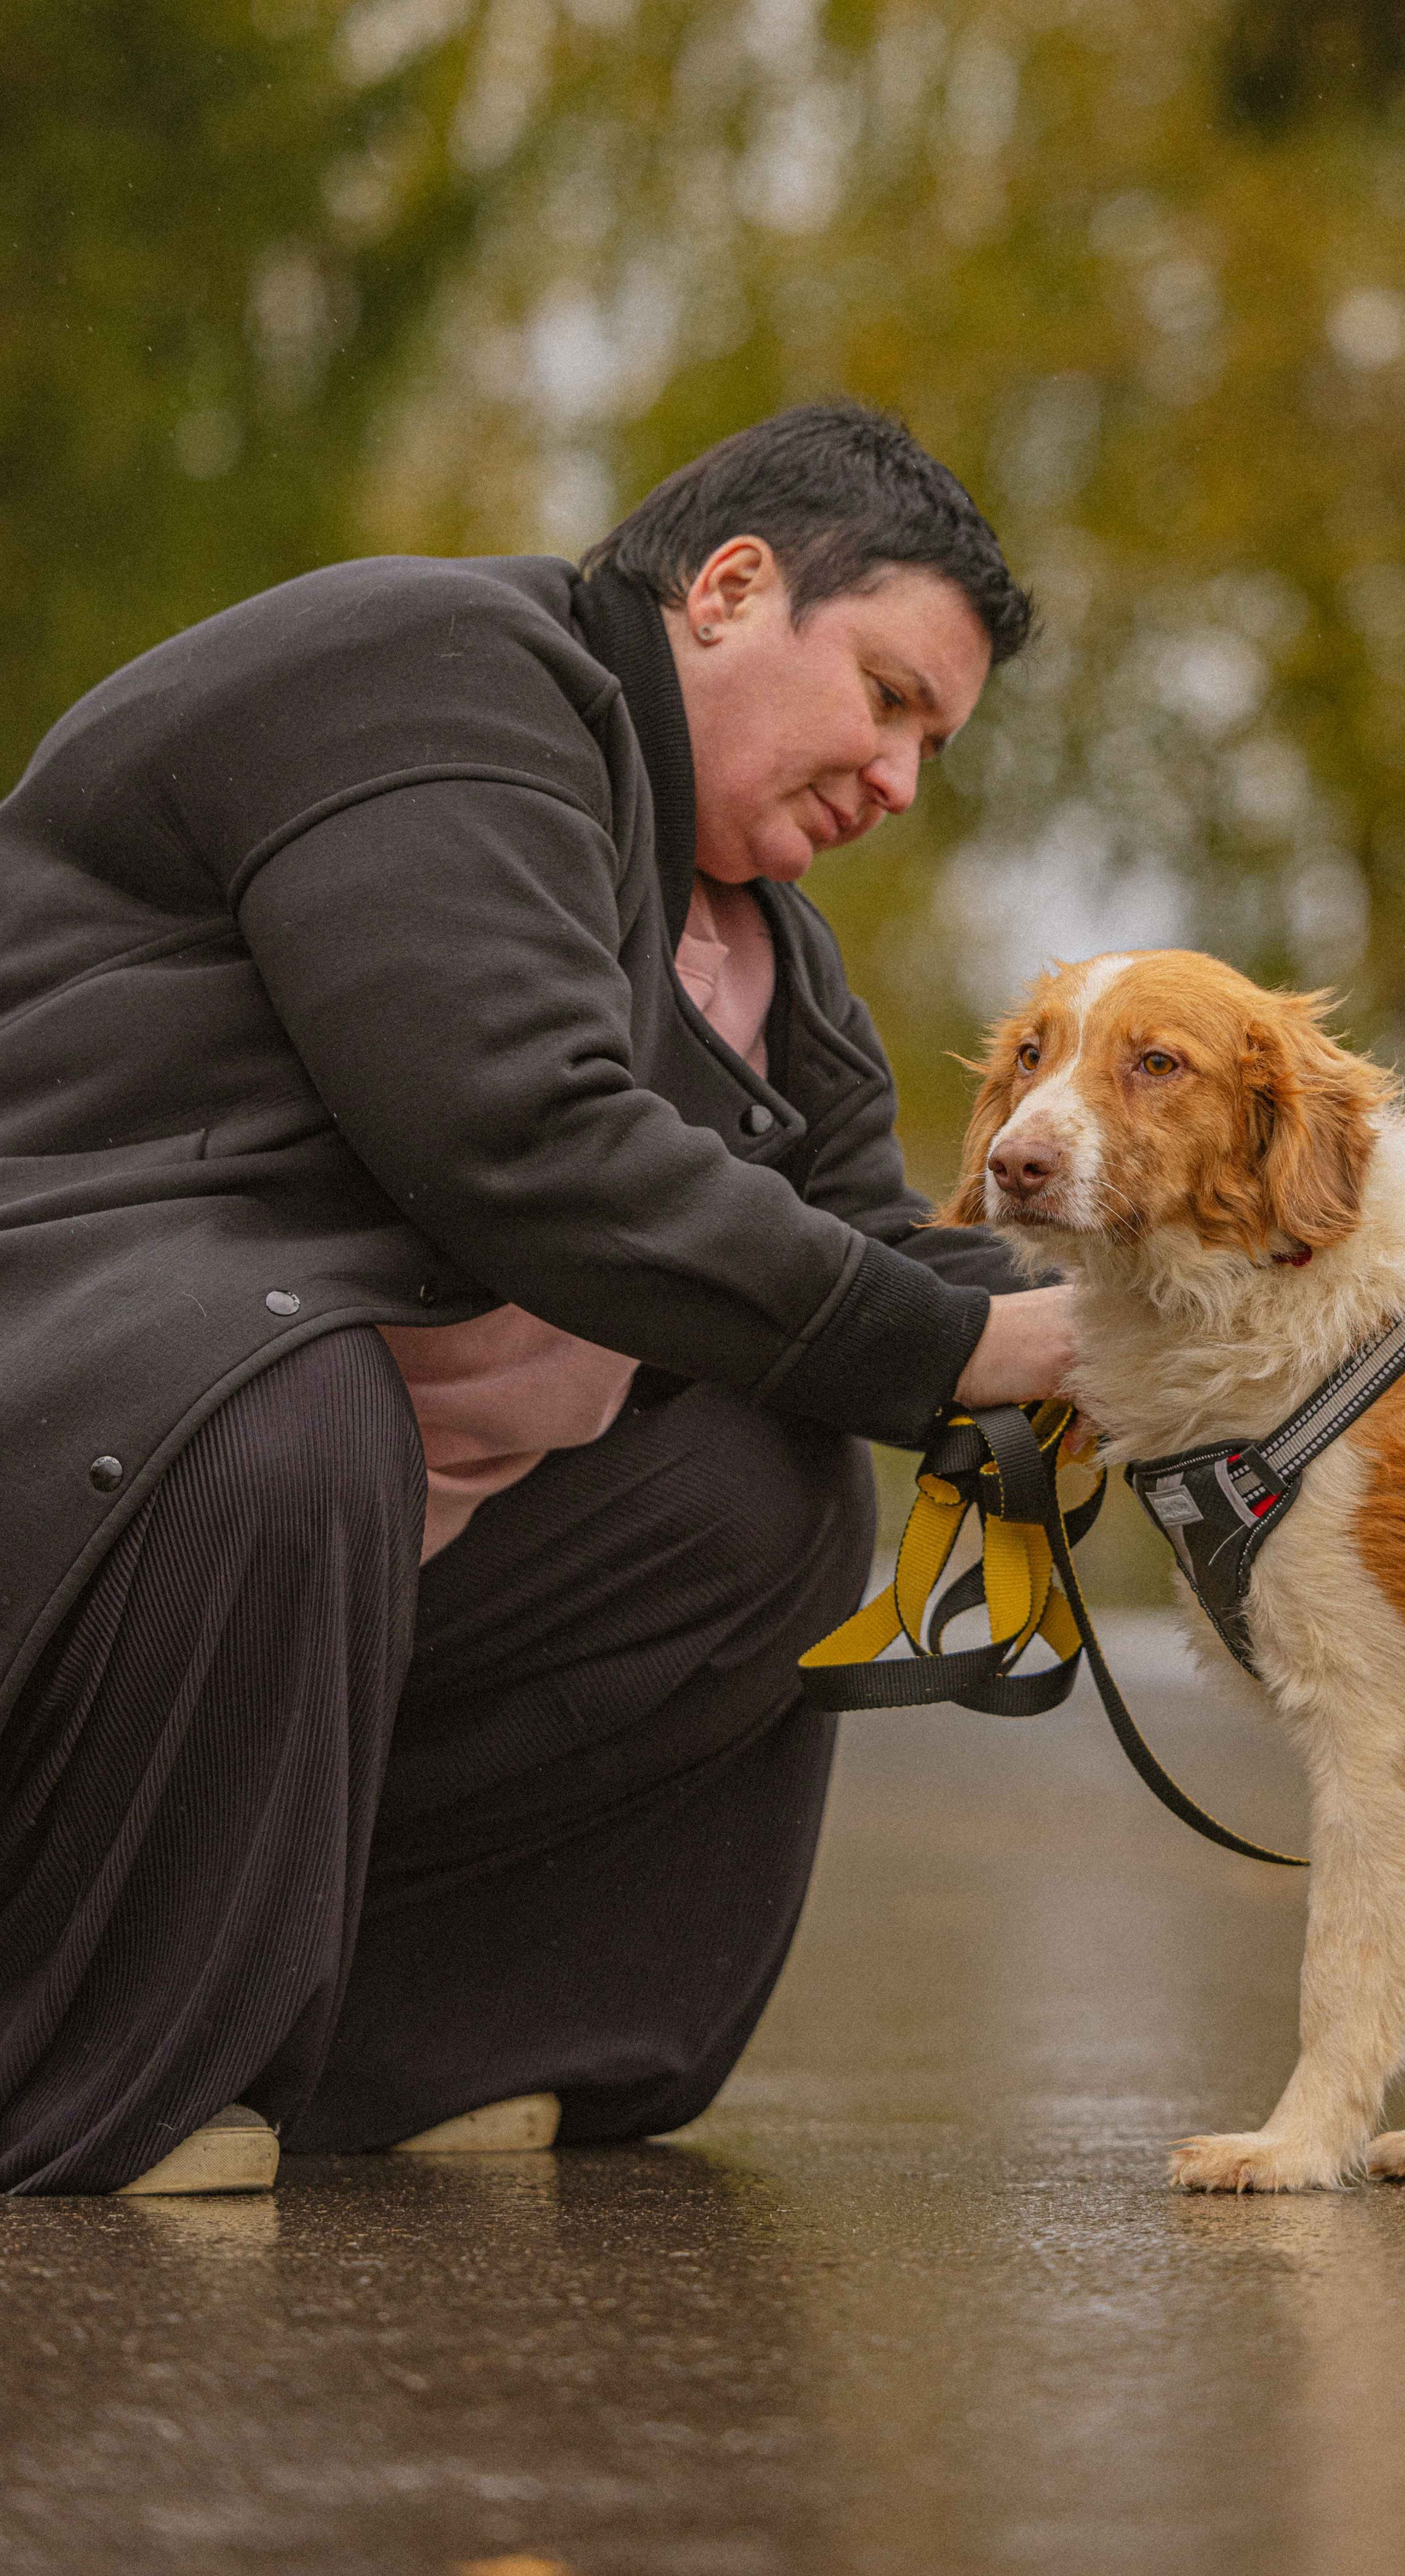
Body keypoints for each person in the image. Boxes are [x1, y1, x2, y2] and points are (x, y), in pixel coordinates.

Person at [0, 404, 1074, 2196]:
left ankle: (421, 2048)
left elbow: (871, 1250)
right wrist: (960, 1349)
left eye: (933, 747)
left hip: (302, 1572)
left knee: (763, 1490)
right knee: (296, 1398)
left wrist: (1190, 1340)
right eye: (888, 696)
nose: (900, 780)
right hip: (73, 1438)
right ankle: (93, 2065)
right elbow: (517, 1127)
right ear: (729, 590)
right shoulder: (443, 677)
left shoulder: (760, 957)